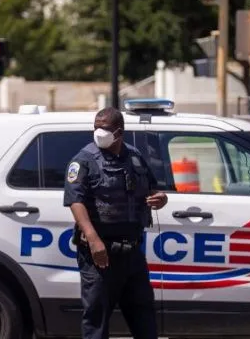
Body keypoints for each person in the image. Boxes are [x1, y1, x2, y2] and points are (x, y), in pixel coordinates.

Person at [63, 106, 168, 339]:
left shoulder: (134, 156)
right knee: (97, 320)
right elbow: (75, 201)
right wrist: (93, 240)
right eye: (95, 127)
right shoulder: (84, 160)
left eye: (104, 128)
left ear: (119, 133)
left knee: (144, 317)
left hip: (132, 253)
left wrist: (161, 198)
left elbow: (152, 188)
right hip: (100, 255)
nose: (98, 132)